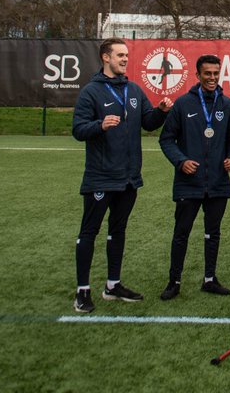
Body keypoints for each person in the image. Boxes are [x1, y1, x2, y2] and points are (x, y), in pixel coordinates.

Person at [71, 38, 172, 313]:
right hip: (101, 177)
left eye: (127, 55)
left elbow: (148, 123)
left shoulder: (134, 89)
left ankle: (112, 285)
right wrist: (99, 125)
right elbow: (78, 130)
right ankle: (82, 291)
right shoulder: (91, 92)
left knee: (118, 231)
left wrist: (161, 112)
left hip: (128, 178)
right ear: (106, 57)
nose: (125, 59)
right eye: (120, 55)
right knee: (89, 232)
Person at [156, 54, 230, 300]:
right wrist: (181, 161)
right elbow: (166, 138)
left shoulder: (226, 105)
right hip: (188, 183)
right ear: (198, 75)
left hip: (217, 183)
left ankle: (210, 279)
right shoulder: (183, 104)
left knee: (212, 232)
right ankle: (174, 281)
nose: (212, 78)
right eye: (208, 74)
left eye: (216, 74)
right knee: (181, 232)